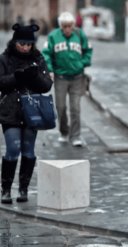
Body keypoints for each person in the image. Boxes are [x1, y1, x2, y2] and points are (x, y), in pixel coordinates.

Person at [0, 23, 53, 203]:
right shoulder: (5, 59)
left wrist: (34, 76)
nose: (25, 47)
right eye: (22, 43)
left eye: (28, 44)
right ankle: (5, 189)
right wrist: (17, 77)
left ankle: (23, 189)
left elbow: (46, 85)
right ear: (15, 42)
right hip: (10, 111)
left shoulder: (38, 58)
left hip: (32, 111)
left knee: (29, 151)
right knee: (13, 149)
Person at [42, 12, 93, 147]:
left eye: (70, 26)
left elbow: (88, 50)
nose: (68, 29)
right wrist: (50, 70)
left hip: (77, 77)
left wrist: (83, 63)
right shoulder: (53, 36)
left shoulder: (80, 34)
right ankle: (64, 132)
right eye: (65, 26)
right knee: (61, 107)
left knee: (75, 107)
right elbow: (46, 53)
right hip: (61, 77)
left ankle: (75, 135)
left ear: (73, 25)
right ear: (61, 26)